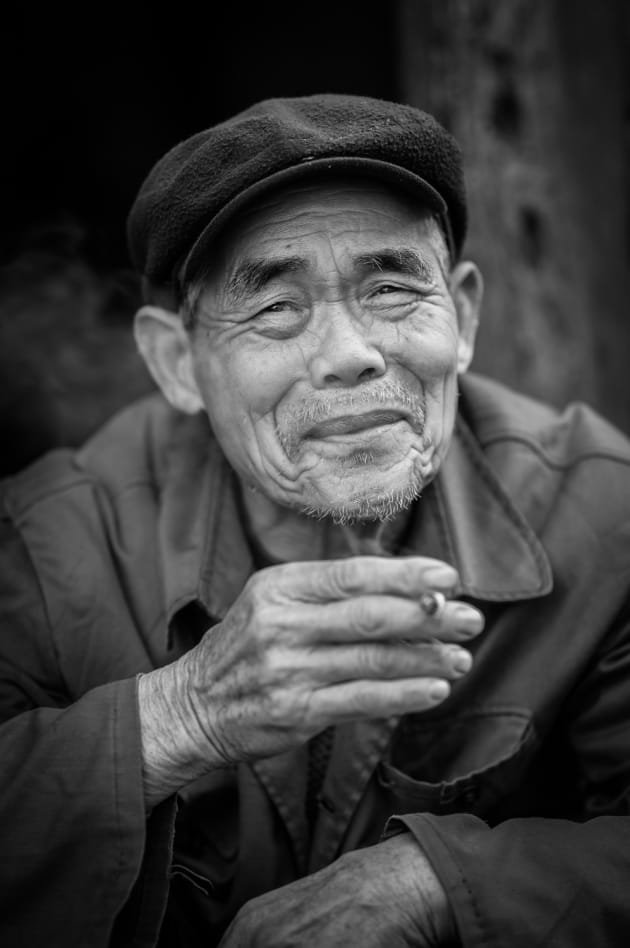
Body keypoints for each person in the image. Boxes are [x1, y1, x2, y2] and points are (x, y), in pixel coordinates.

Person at [0, 94, 628, 948]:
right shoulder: (43, 548)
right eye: (274, 308)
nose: (349, 354)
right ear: (177, 363)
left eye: (393, 285)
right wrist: (179, 715)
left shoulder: (603, 512)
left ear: (465, 317)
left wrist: (442, 883)